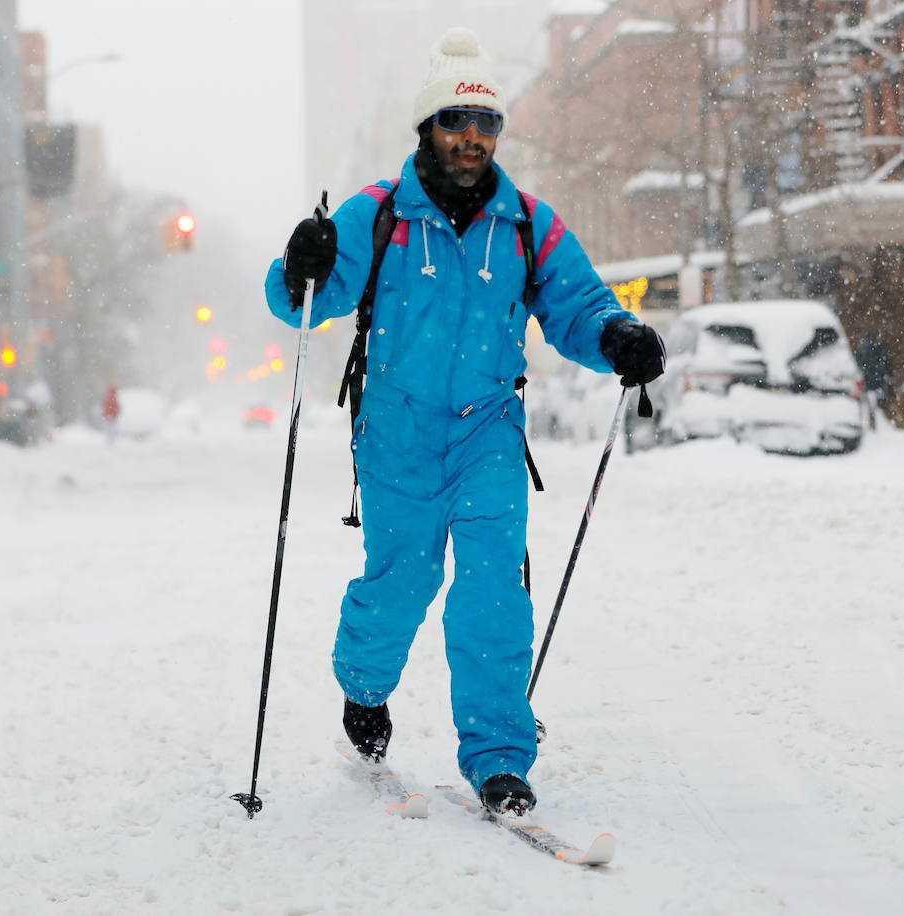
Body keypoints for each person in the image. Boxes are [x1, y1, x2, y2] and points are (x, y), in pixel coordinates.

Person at [263, 27, 666, 815]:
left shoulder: (526, 223)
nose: (472, 137)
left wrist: (616, 335)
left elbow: (579, 305)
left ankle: (499, 756)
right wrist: (300, 263)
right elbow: (301, 300)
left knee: (492, 593)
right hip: (397, 434)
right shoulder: (378, 215)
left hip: (488, 431)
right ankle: (364, 682)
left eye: (486, 124)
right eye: (456, 121)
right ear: (428, 128)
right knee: (400, 583)